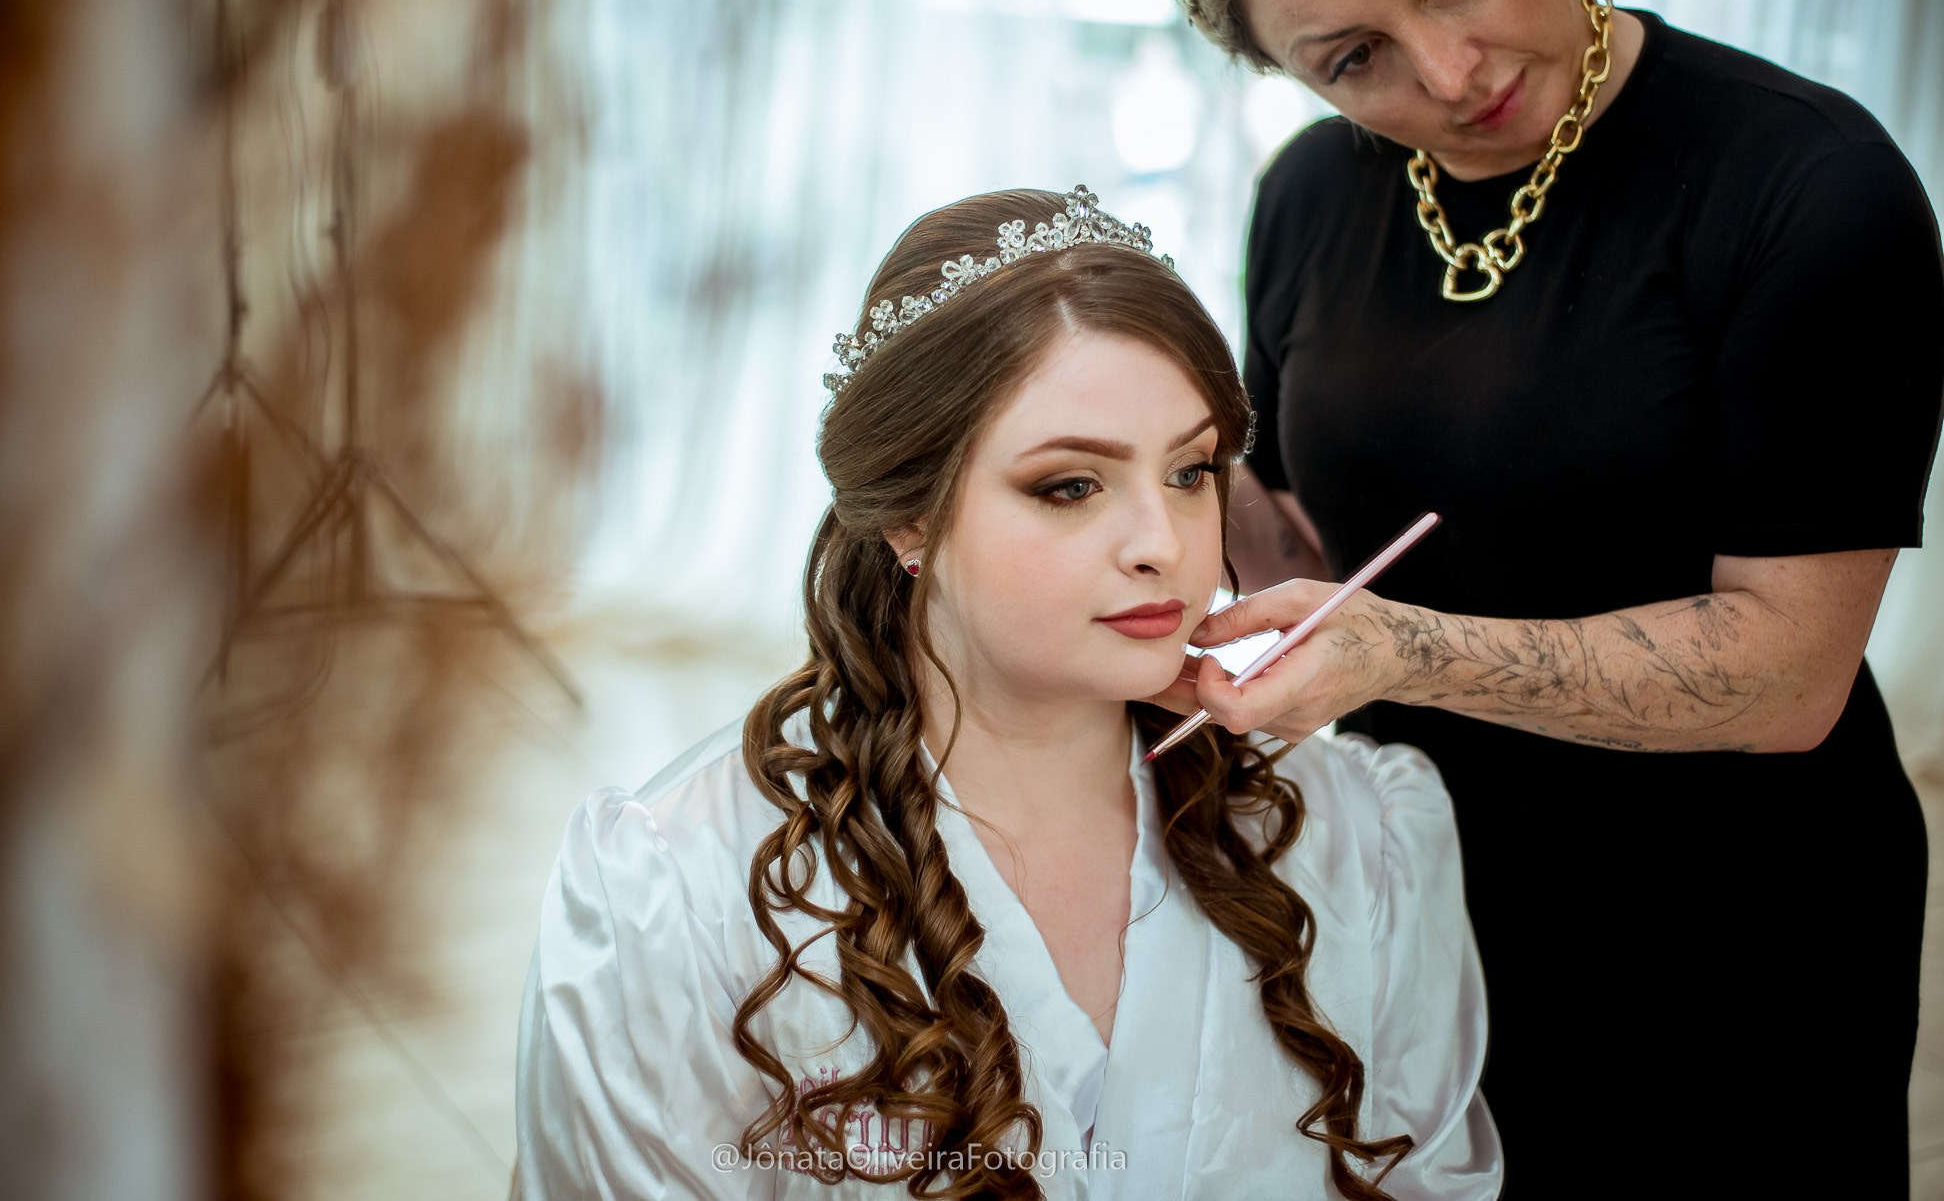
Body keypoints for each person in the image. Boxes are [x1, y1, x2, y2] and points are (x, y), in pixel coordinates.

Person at [1145, 0, 1944, 1197]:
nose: (1449, 71)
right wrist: (1153, 461)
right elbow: (1302, 548)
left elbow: (1791, 667)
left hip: (1728, 924)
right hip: (1414, 882)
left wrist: (1406, 653)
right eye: (1353, 60)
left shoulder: (1806, 185)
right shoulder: (1311, 194)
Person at [514, 187, 1503, 1199]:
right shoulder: (678, 890)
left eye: (1190, 470)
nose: (1161, 546)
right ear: (906, 516)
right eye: (1069, 485)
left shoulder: (1354, 832)